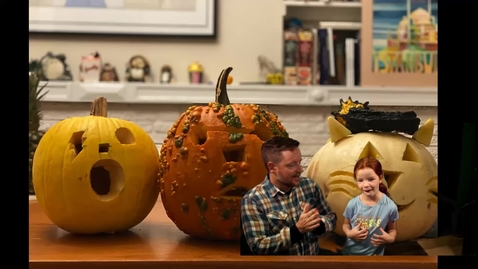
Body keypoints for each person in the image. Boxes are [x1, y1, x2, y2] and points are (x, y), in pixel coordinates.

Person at [241, 136, 337, 255]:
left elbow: (331, 217)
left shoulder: (310, 186)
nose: (300, 169)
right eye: (291, 165)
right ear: (272, 167)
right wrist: (297, 230)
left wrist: (319, 224)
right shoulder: (253, 200)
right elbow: (258, 246)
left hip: (313, 262)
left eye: (299, 162)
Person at [342, 157, 399, 256]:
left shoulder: (390, 207)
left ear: (380, 178)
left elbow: (392, 229)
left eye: (371, 179)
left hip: (375, 257)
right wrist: (349, 233)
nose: (365, 185)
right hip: (350, 255)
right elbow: (345, 224)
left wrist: (390, 238)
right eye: (360, 180)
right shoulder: (352, 204)